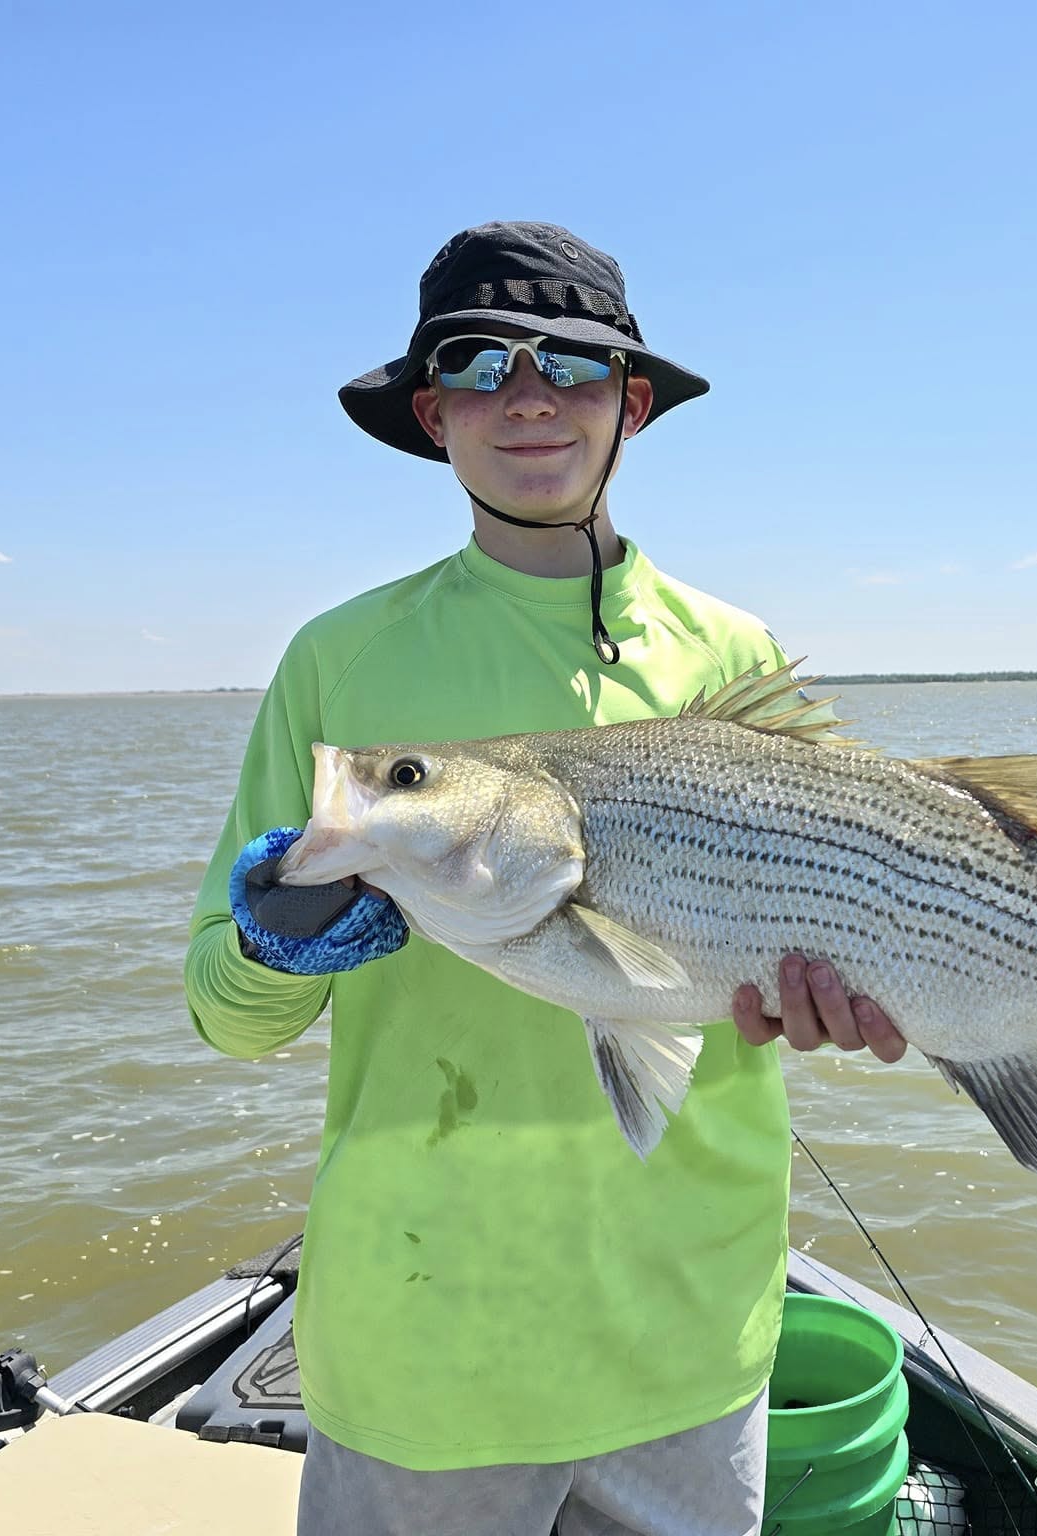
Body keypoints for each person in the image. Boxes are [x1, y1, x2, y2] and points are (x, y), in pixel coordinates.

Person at [183, 221, 905, 1536]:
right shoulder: (337, 663)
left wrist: (845, 1001)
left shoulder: (732, 651)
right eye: (478, 365)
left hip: (692, 1335)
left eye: (571, 364)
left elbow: (851, 924)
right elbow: (229, 1021)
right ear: (431, 412)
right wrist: (271, 947)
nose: (528, 397)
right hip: (420, 1345)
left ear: (633, 405)